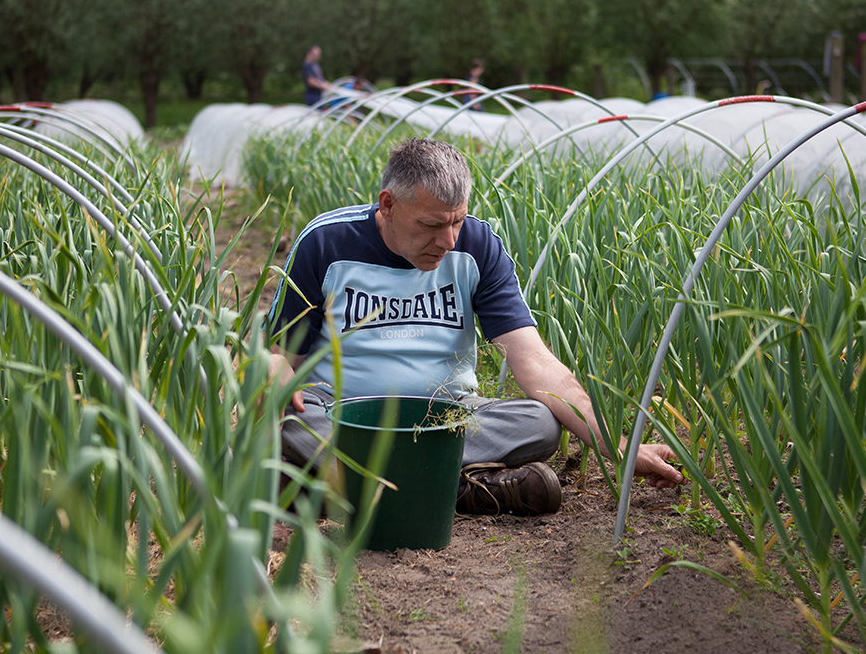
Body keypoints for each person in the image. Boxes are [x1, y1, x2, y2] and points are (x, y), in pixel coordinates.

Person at [268, 138, 684, 516]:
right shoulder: (327, 243)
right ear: (388, 205)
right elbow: (281, 359)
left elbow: (535, 360)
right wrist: (272, 372)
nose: (448, 241)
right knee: (291, 420)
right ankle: (463, 488)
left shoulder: (478, 246)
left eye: (457, 221)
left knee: (540, 423)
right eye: (431, 225)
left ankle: (348, 489)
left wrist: (621, 448)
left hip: (446, 418)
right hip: (348, 416)